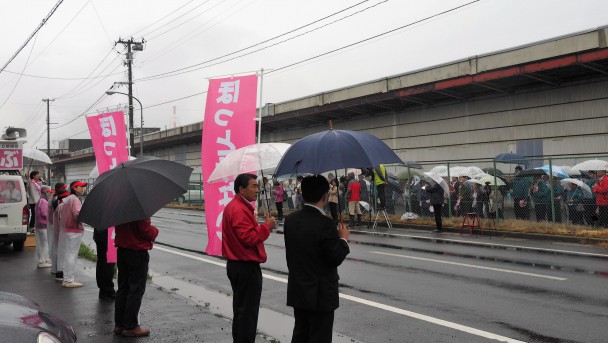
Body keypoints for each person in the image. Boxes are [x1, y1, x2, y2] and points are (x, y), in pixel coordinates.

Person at [283, 174, 350, 343]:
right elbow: (334, 258)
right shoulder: (326, 224)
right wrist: (343, 239)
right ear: (325, 195)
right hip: (321, 294)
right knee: (320, 337)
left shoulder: (290, 220)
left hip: (298, 289)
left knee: (300, 334)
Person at [222, 173, 276, 343]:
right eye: (253, 186)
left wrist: (259, 225)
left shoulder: (239, 206)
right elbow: (248, 238)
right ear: (241, 189)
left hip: (237, 265)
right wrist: (266, 227)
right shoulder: (238, 209)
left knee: (241, 310)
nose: (257, 190)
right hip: (245, 266)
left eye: (257, 186)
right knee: (248, 313)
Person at [113, 218, 159, 337]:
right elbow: (146, 230)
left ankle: (119, 324)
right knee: (135, 290)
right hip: (137, 252)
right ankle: (130, 326)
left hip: (122, 251)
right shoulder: (139, 210)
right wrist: (155, 230)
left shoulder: (118, 208)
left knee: (123, 288)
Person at [57, 181, 87, 288]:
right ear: (75, 188)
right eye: (81, 187)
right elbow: (77, 214)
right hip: (75, 231)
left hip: (67, 231)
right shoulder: (75, 199)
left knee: (68, 254)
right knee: (72, 255)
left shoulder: (67, 199)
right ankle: (69, 280)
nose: (82, 189)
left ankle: (66, 278)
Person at [49, 183, 68, 281]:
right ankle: (59, 272)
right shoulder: (60, 205)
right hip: (60, 231)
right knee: (61, 251)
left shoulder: (54, 201)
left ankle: (55, 269)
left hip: (55, 229)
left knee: (55, 248)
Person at [94, 226, 116, 300]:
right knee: (109, 263)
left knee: (101, 261)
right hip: (109, 234)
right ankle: (107, 289)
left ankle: (103, 289)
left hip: (99, 233)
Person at [34, 185, 53, 268]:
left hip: (38, 225)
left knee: (40, 243)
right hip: (43, 226)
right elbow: (45, 213)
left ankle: (40, 260)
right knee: (44, 243)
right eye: (49, 192)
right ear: (46, 192)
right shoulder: (44, 201)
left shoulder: (39, 200)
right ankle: (42, 260)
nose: (50, 194)